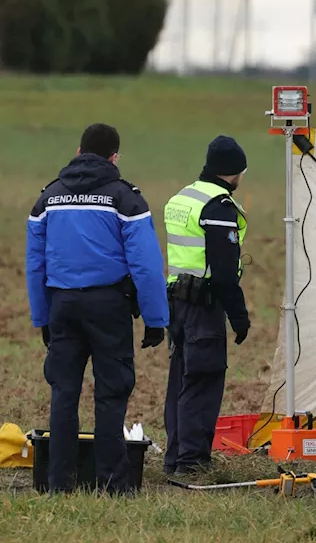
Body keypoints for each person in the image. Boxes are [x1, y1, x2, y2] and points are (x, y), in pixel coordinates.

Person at [25, 123, 169, 495]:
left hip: (62, 305)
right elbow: (146, 265)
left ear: (78, 151)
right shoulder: (125, 199)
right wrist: (155, 319)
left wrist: (42, 315)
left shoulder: (48, 198)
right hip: (108, 306)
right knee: (110, 393)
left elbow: (35, 264)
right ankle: (114, 485)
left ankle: (58, 484)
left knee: (63, 392)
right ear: (114, 157)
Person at [162, 136, 251, 476]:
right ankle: (192, 462)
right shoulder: (218, 207)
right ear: (235, 173)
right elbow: (225, 273)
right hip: (203, 307)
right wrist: (238, 316)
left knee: (181, 381)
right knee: (203, 378)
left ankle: (174, 458)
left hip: (177, 304)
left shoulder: (183, 197)